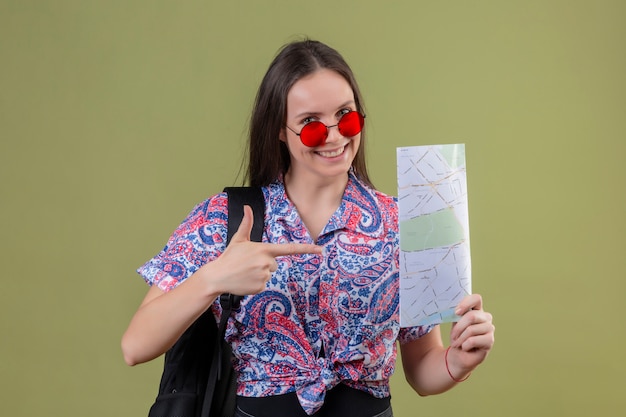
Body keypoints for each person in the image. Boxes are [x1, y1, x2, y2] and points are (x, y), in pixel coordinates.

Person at [121, 39, 495, 417]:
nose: (334, 137)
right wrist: (214, 278)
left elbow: (422, 366)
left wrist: (457, 361)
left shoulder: (403, 225)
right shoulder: (226, 219)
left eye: (346, 116)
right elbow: (135, 346)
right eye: (311, 125)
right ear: (279, 130)